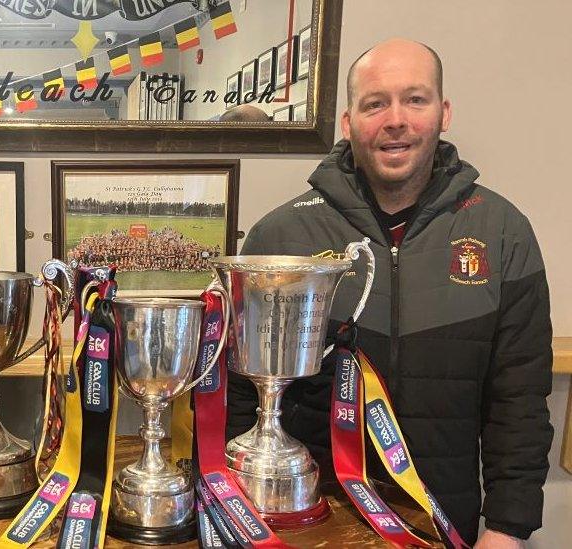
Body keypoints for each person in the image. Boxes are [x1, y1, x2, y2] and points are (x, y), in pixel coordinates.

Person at [228, 39, 552, 548]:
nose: (395, 119)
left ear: (443, 113)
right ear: (348, 121)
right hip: (307, 527)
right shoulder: (281, 238)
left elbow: (521, 401)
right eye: (375, 103)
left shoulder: (503, 233)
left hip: (444, 527)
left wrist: (507, 531)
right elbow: (242, 400)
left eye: (415, 99)